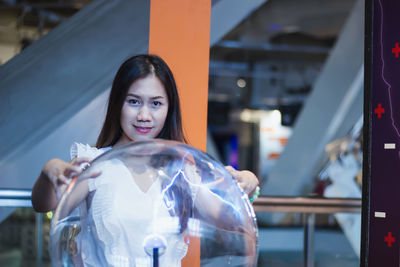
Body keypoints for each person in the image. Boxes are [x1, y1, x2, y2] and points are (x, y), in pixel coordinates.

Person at [31, 54, 259, 265]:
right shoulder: (95, 164)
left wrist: (249, 183)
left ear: (169, 109)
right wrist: (49, 170)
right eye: (134, 101)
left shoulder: (179, 171)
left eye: (156, 103)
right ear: (118, 103)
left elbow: (229, 221)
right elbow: (44, 205)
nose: (144, 116)